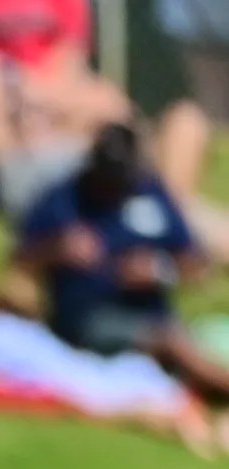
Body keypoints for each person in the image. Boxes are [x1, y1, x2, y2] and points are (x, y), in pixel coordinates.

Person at [11, 124, 229, 403]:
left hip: (153, 312)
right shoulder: (63, 198)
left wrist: (161, 269)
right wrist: (56, 249)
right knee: (169, 342)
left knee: (190, 339)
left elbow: (197, 264)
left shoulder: (151, 194)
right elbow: (18, 258)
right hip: (88, 319)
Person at [0, 0, 128, 214]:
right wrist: (14, 85)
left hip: (50, 82)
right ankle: (15, 190)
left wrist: (40, 90)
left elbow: (72, 54)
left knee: (110, 103)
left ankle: (115, 193)